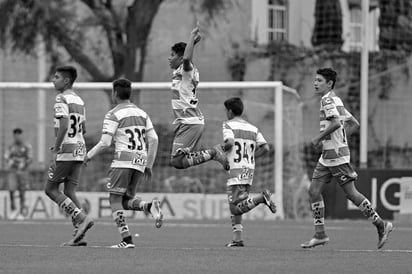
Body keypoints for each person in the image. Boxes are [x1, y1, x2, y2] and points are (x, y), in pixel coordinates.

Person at [301, 68, 393, 249]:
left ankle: (381, 224)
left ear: (329, 84)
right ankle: (320, 234)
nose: (315, 83)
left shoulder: (327, 100)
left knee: (351, 193)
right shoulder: (336, 100)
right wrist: (338, 140)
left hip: (336, 157)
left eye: (319, 80)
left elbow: (336, 123)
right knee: (313, 191)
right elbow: (353, 124)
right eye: (315, 80)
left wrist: (320, 138)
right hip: (327, 156)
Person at [85, 78, 163, 249]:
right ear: (130, 94)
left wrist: (88, 155)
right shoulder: (143, 114)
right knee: (126, 200)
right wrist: (148, 164)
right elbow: (154, 139)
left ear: (114, 94)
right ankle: (148, 206)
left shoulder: (113, 114)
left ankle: (127, 239)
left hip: (123, 161)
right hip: (140, 161)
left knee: (114, 199)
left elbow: (105, 142)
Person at [45, 65, 94, 246]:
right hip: (79, 149)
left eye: (56, 77)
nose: (53, 80)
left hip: (66, 150)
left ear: (66, 80)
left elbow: (64, 125)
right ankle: (79, 235)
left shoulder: (61, 98)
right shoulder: (79, 101)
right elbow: (84, 129)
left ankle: (82, 218)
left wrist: (56, 150)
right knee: (70, 191)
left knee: (50, 190)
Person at [168, 25, 228, 170]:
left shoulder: (186, 69)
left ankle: (213, 153)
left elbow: (187, 58)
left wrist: (191, 36)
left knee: (176, 162)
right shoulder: (182, 71)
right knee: (177, 162)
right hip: (187, 121)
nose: (169, 58)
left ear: (180, 58)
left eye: (172, 55)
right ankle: (212, 153)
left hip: (190, 121)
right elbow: (186, 56)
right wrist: (192, 44)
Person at [221, 97, 277, 247]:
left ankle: (260, 198)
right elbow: (265, 148)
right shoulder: (253, 128)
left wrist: (220, 151)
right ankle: (237, 239)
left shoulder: (228, 125)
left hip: (235, 169)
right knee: (238, 203)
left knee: (234, 208)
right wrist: (252, 157)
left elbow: (230, 142)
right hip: (248, 169)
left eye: (226, 110)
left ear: (230, 111)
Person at [4, 128, 33, 220]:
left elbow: (30, 158)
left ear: (21, 135)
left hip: (23, 172)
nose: (17, 137)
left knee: (22, 192)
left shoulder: (27, 146)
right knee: (11, 190)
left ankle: (21, 212)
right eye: (15, 135)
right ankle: (13, 210)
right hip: (13, 172)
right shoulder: (11, 146)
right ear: (14, 136)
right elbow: (6, 156)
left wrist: (24, 163)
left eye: (18, 135)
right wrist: (10, 161)